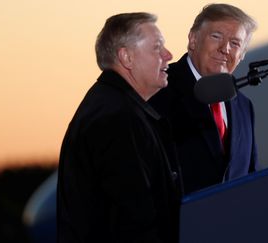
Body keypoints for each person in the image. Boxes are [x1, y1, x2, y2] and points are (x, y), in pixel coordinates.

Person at [57, 12, 182, 243]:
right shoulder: (119, 118)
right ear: (126, 57)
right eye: (157, 47)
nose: (168, 55)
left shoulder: (110, 107)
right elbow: (135, 221)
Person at [149, 3, 259, 195]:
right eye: (216, 36)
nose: (225, 48)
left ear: (241, 55)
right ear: (193, 39)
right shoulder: (158, 88)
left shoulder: (243, 105)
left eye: (235, 43)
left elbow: (251, 177)